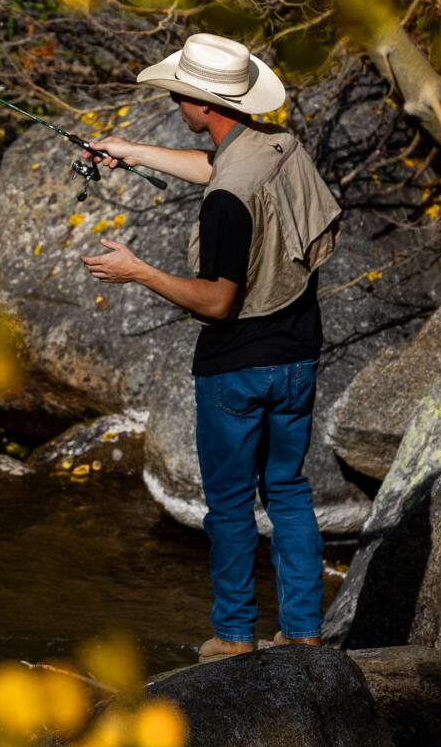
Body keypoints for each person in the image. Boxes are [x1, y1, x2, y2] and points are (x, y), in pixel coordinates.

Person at [76, 33, 343, 662]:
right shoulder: (278, 146)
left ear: (202, 104)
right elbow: (216, 165)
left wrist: (137, 271)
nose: (174, 100)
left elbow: (218, 302)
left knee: (227, 507)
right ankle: (304, 630)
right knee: (289, 491)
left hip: (238, 370)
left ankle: (234, 638)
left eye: (178, 93)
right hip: (299, 354)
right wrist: (127, 150)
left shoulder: (227, 203)